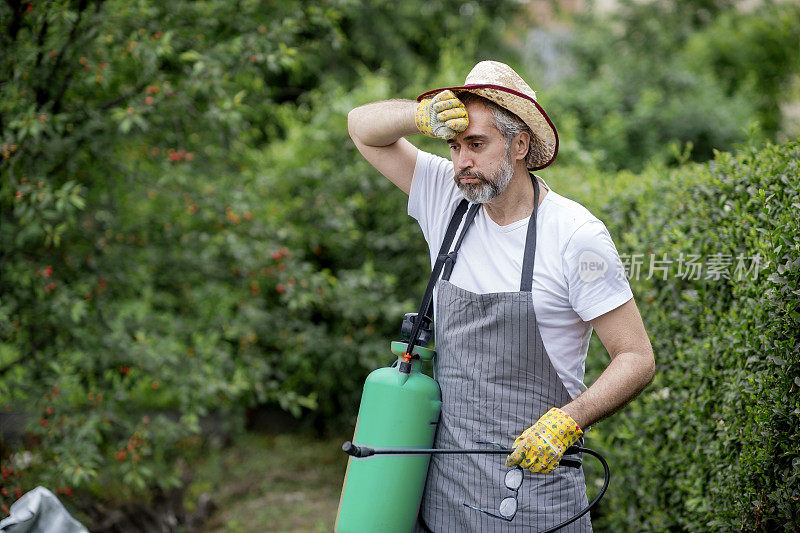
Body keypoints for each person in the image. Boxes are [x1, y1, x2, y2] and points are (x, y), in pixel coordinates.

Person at [347, 60, 655, 532]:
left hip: (534, 502)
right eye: (454, 145)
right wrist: (420, 115)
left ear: (520, 145)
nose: (461, 162)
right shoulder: (446, 200)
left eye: (476, 144)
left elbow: (635, 357)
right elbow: (362, 127)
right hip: (443, 494)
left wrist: (569, 421)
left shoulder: (576, 236)